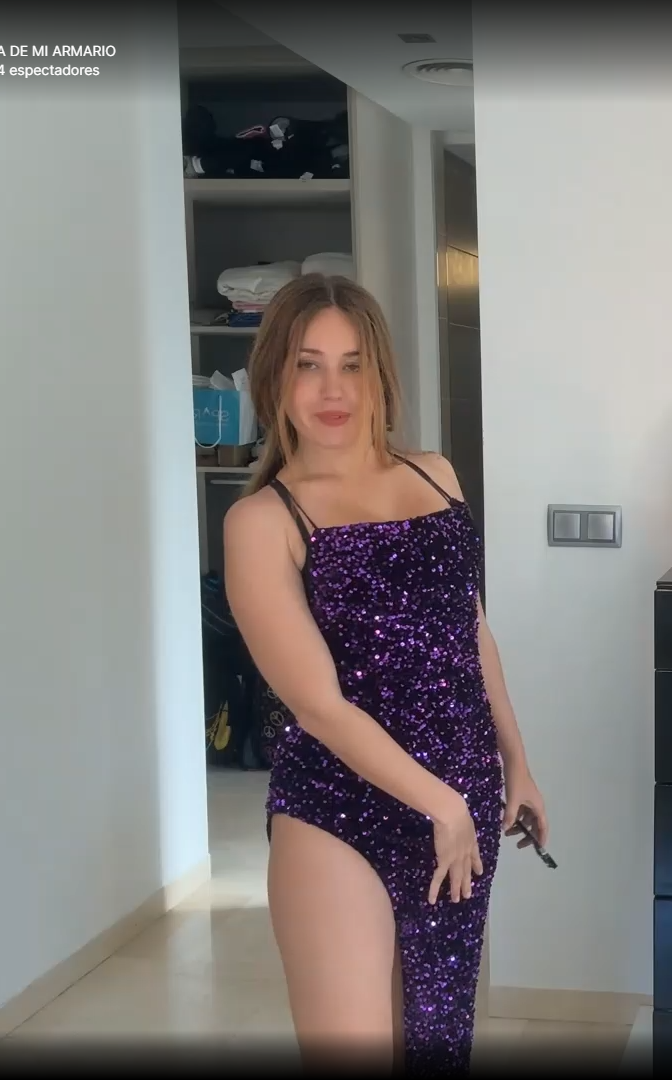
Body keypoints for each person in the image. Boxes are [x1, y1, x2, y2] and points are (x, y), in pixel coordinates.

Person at [222, 274, 547, 1074]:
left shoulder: (436, 475)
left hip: (460, 794)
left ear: (380, 375)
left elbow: (471, 631)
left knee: (436, 1044)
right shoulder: (262, 520)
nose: (333, 390)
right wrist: (440, 802)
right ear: (275, 378)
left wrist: (516, 759)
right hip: (338, 806)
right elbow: (319, 705)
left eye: (352, 364)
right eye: (307, 365)